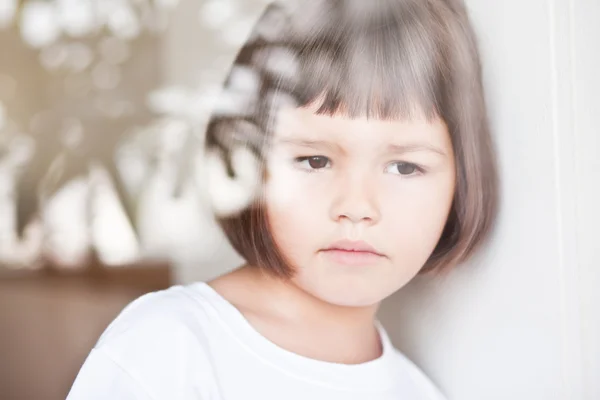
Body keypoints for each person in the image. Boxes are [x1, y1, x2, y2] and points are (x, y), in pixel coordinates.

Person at [67, 0, 499, 398]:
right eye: (315, 161)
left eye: (404, 167)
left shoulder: (416, 390)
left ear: (462, 183)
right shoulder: (169, 347)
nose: (357, 205)